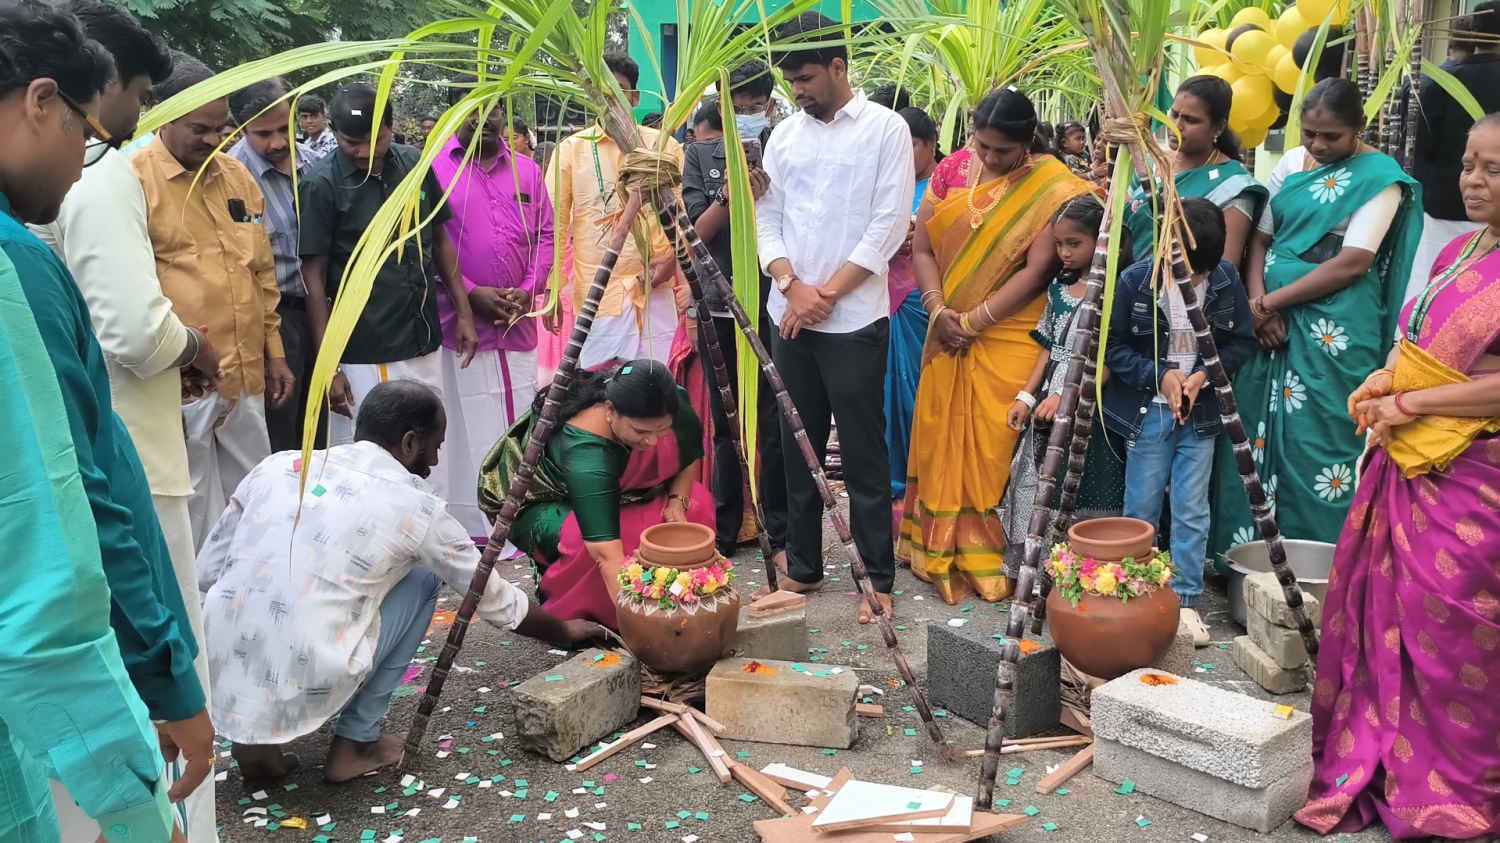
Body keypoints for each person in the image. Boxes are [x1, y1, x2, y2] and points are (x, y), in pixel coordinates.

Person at [0, 5, 211, 839]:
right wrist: (160, 686)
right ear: (40, 101)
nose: (83, 164)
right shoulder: (14, 269)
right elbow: (61, 509)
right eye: (87, 137)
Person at [199, 380, 604, 782]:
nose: (435, 462)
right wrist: (563, 630)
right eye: (435, 447)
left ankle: (254, 745)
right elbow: (490, 596)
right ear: (410, 443)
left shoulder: (278, 466)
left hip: (217, 668)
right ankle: (356, 744)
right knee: (424, 577)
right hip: (309, 673)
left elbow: (206, 572)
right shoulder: (415, 506)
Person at [1293, 114, 1500, 842]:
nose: (1472, 180)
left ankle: (1460, 792)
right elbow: (1423, 343)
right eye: (1469, 164)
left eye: (1493, 169)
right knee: (1397, 619)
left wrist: (1409, 403)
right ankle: (1392, 766)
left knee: (1455, 637)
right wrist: (1388, 377)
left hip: (1473, 478)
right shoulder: (1464, 246)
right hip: (1411, 464)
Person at [1209, 78, 1422, 567]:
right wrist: (1257, 304)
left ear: (1359, 128)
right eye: (1310, 134)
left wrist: (1268, 304)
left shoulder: (1380, 179)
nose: (1318, 145)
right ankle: (1245, 558)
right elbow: (1261, 239)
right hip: (1270, 317)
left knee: (1322, 439)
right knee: (1250, 431)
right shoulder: (1290, 163)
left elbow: (1353, 262)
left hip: (1336, 328)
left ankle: (1321, 567)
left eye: (1332, 136)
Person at [898, 87, 1092, 605]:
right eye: (981, 145)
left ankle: (994, 554)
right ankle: (933, 545)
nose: (988, 157)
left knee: (996, 442)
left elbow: (1039, 269)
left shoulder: (1052, 185)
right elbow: (922, 247)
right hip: (946, 326)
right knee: (940, 432)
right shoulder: (950, 170)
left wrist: (975, 320)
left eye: (1001, 151)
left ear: (1026, 143)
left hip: (1010, 330)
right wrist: (939, 311)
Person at [758, 12, 914, 621]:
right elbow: (767, 219)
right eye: (791, 81)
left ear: (838, 67)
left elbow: (888, 225)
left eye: (805, 78)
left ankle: (877, 576)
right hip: (790, 315)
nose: (797, 90)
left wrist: (824, 295)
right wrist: (791, 285)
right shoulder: (783, 137)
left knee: (863, 449)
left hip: (853, 321)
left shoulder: (886, 130)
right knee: (795, 443)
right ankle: (802, 565)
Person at [133, 54, 294, 549]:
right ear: (163, 118)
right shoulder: (133, 181)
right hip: (183, 380)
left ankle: (253, 588)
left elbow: (261, 272)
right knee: (191, 504)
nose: (212, 140)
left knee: (256, 493)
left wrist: (275, 354)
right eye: (199, 129)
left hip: (245, 373)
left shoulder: (237, 177)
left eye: (221, 128)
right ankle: (197, 596)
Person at [1102, 199, 1257, 640]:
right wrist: (1160, 376)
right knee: (1142, 505)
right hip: (1149, 410)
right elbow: (1113, 348)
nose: (1196, 282)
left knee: (1191, 507)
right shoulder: (1136, 281)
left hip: (1201, 413)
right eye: (1187, 273)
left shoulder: (1225, 280)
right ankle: (1136, 592)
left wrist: (1204, 376)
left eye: (1202, 274)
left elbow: (1242, 343)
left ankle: (1185, 600)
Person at [297, 82, 479, 456]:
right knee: (374, 457)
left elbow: (440, 240)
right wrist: (328, 366)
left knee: (429, 449)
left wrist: (464, 313)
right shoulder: (320, 184)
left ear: (391, 129)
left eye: (376, 140)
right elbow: (313, 276)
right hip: (366, 348)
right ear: (334, 133)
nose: (365, 152)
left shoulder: (414, 165)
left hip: (422, 339)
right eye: (352, 143)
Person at [478, 360, 714, 627]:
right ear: (610, 411)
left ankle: (672, 593)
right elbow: (606, 554)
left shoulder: (671, 402)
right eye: (641, 431)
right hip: (544, 502)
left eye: (661, 431)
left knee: (696, 506)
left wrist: (677, 501)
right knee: (582, 540)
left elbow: (687, 453)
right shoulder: (586, 449)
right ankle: (594, 610)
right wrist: (644, 627)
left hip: (619, 494)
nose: (651, 441)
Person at [429, 85, 555, 541]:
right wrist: (471, 294)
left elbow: (545, 235)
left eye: (493, 108)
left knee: (519, 417)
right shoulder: (434, 170)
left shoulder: (527, 169)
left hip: (517, 322)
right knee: (465, 424)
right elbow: (427, 244)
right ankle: (473, 527)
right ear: (454, 113)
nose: (484, 118)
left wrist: (527, 290)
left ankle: (518, 522)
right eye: (473, 109)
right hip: (461, 323)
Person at [682, 59, 789, 561]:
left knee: (774, 420)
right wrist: (731, 192)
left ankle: (780, 530)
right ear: (722, 107)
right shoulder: (700, 155)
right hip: (720, 303)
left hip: (774, 304)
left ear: (768, 105)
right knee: (727, 424)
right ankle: (726, 530)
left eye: (754, 107)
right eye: (736, 108)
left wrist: (765, 185)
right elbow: (693, 235)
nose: (746, 116)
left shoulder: (785, 147)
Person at [1001, 194, 1127, 576]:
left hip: (1089, 401)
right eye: (1059, 244)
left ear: (1100, 240)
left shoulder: (1113, 291)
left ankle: (1085, 570)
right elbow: (1048, 345)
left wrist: (1067, 397)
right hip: (1047, 397)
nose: (1065, 253)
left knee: (1083, 480)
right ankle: (1037, 570)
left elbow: (1108, 361)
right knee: (1035, 477)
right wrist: (1027, 395)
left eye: (1074, 243)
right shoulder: (1058, 287)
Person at [547, 54, 683, 369]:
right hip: (600, 295)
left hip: (656, 291)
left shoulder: (663, 146)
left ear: (634, 97)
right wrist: (553, 289)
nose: (609, 98)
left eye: (619, 90)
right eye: (602, 91)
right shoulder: (571, 150)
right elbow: (554, 226)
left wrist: (672, 263)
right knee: (602, 387)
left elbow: (683, 216)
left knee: (658, 383)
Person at [229, 77, 322, 453]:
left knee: (321, 427)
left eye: (284, 128)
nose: (278, 143)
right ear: (242, 129)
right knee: (281, 436)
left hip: (321, 311)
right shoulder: (232, 177)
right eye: (263, 134)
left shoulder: (314, 163)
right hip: (272, 318)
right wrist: (270, 351)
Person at [1405, 2, 1500, 303]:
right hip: (1480, 213)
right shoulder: (1436, 80)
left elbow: (1417, 151)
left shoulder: (1432, 81)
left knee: (1430, 293)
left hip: (1438, 209)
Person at [1124, 76, 1268, 272]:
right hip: (1121, 281)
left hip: (1182, 287)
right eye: (1174, 115)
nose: (1176, 126)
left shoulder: (1233, 186)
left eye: (1190, 120)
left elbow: (1223, 268)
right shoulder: (1149, 164)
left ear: (1218, 127)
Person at [886, 106, 939, 512]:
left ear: (932, 145)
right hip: (888, 302)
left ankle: (929, 479)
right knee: (890, 394)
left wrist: (921, 234)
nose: (904, 155)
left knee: (924, 393)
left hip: (925, 301)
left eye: (912, 146)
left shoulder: (946, 186)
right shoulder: (889, 185)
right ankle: (896, 482)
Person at [296, 93, 338, 158]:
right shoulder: (306, 144)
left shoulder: (334, 142)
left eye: (314, 116)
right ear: (299, 120)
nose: (309, 121)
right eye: (304, 116)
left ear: (324, 118)